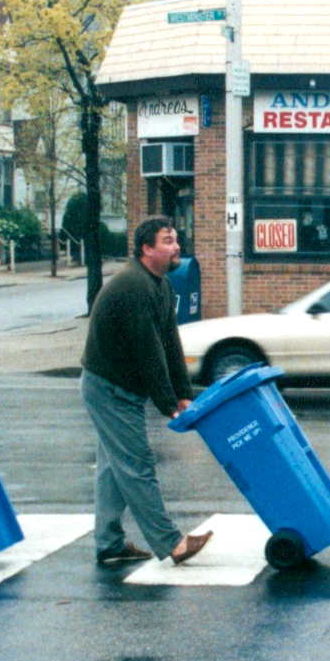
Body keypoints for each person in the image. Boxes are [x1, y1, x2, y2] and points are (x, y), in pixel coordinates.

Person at [79, 216, 212, 567]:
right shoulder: (134, 287)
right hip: (109, 388)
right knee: (136, 465)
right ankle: (171, 543)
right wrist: (168, 404)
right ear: (146, 249)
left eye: (176, 239)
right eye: (167, 240)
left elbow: (170, 341)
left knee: (113, 467)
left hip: (121, 386)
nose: (177, 246)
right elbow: (149, 351)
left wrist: (183, 392)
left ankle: (109, 543)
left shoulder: (160, 285)